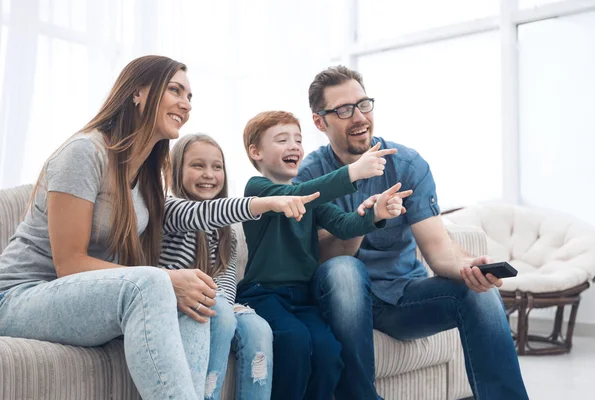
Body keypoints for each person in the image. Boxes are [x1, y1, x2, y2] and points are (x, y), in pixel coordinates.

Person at [294, 65, 529, 400]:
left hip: (399, 297)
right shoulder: (311, 176)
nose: (359, 117)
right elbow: (319, 260)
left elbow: (439, 250)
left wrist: (470, 267)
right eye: (344, 110)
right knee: (345, 271)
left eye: (364, 104)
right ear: (320, 121)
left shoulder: (405, 165)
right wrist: (364, 221)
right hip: (339, 298)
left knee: (481, 293)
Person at [0, 55, 216, 400]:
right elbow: (69, 264)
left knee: (195, 301)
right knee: (155, 282)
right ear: (137, 93)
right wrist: (163, 280)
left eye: (190, 96)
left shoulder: (144, 174)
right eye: (175, 90)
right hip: (18, 298)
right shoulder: (85, 151)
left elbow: (190, 215)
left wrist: (263, 204)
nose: (185, 104)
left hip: (81, 299)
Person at [236, 110, 412, 400]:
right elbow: (300, 194)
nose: (294, 146)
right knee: (294, 342)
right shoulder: (257, 190)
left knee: (329, 352)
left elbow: (345, 225)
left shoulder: (311, 198)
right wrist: (353, 171)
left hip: (303, 298)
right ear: (256, 152)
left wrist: (374, 213)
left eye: (298, 139)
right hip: (263, 295)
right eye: (282, 139)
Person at [161, 133, 321, 399]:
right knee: (221, 313)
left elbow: (225, 276)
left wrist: (225, 300)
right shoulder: (170, 209)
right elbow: (202, 215)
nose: (208, 174)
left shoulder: (227, 232)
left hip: (215, 300)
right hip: (174, 303)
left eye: (217, 167)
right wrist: (266, 203)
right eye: (197, 166)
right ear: (177, 170)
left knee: (258, 327)